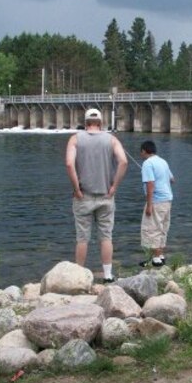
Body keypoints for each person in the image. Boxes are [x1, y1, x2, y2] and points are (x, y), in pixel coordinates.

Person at [65, 108, 128, 282]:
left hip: (83, 195)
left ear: (86, 123)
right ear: (101, 122)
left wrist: (76, 188)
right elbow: (123, 161)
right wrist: (114, 186)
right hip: (106, 195)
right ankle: (108, 275)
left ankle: (79, 276)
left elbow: (69, 164)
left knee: (82, 238)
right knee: (106, 237)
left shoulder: (75, 139)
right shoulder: (112, 139)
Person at [139, 140, 174, 268]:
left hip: (157, 201)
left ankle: (156, 260)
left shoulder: (147, 164)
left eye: (141, 152)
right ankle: (160, 256)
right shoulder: (163, 161)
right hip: (167, 200)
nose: (141, 154)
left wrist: (149, 205)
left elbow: (150, 185)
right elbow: (172, 179)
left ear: (144, 151)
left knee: (151, 229)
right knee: (162, 228)